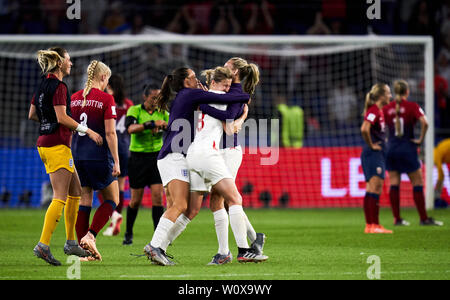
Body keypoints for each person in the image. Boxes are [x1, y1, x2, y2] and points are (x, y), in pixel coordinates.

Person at [160, 58, 267, 265]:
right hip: (209, 153)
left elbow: (229, 125)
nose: (223, 66)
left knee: (220, 200)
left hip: (222, 151)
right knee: (216, 202)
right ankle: (247, 244)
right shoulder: (221, 94)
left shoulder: (228, 95)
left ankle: (230, 249)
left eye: (228, 65)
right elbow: (226, 121)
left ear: (234, 71)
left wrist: (239, 116)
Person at [29, 47, 102, 266]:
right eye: (69, 60)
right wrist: (86, 130)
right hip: (56, 145)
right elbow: (62, 117)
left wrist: (48, 122)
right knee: (60, 196)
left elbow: (32, 114)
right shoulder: (60, 86)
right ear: (60, 63)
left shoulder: (42, 84)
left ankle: (71, 242)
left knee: (76, 190)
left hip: (46, 142)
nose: (71, 63)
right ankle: (43, 245)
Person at [71, 60, 119, 261]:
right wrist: (116, 160)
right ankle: (90, 236)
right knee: (113, 199)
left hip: (77, 155)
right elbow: (110, 133)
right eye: (107, 78)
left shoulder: (73, 98)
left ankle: (83, 251)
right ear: (103, 77)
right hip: (98, 156)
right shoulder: (106, 99)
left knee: (85, 199)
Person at [384, 80, 443, 226]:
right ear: (407, 92)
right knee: (417, 182)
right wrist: (420, 139)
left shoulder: (386, 108)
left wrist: (387, 140)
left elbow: (381, 126)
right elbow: (425, 122)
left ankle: (397, 219)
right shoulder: (412, 106)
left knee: (394, 183)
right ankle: (423, 218)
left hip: (391, 149)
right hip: (408, 148)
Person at [122, 83, 169, 245]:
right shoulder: (134, 110)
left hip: (156, 158)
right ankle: (128, 233)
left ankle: (159, 238)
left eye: (159, 98)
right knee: (135, 200)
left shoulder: (163, 113)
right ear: (145, 97)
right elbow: (130, 129)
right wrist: (151, 125)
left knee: (157, 197)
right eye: (153, 97)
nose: (156, 101)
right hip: (137, 159)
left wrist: (163, 127)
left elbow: (172, 129)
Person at [102, 74, 134, 237]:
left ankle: (114, 216)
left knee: (102, 186)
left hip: (110, 147)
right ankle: (115, 221)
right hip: (125, 147)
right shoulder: (128, 104)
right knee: (120, 186)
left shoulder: (107, 100)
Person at [360, 83, 393, 234]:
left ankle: (371, 226)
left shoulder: (378, 110)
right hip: (373, 154)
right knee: (375, 187)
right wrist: (372, 145)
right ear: (381, 96)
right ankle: (373, 225)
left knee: (372, 188)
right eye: (388, 93)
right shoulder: (373, 110)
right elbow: (364, 128)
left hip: (376, 154)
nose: (390, 96)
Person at [434, 138, 450, 208]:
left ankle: (436, 198)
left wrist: (437, 191)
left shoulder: (436, 155)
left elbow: (440, 175)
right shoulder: (438, 151)